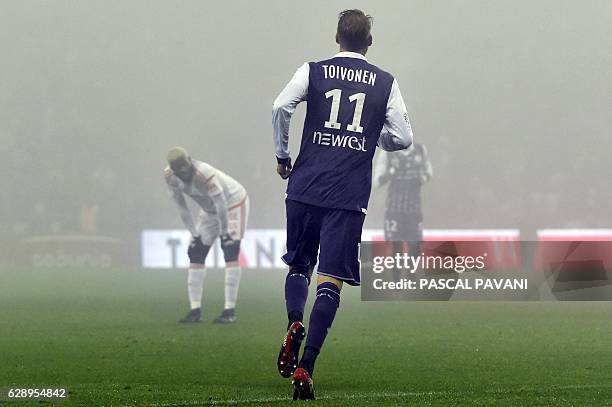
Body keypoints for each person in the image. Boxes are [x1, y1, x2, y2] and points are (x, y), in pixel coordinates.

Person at [271, 9, 413, 399]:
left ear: (337, 38)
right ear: (369, 42)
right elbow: (402, 138)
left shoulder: (313, 70)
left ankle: (294, 321)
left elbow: (280, 106)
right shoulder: (385, 82)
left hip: (305, 185)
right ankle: (307, 366)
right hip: (347, 195)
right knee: (330, 279)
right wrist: (372, 138)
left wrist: (283, 156)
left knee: (300, 264)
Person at [164, 147, 249, 324]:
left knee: (230, 250)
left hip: (233, 203)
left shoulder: (205, 174)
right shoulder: (170, 178)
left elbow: (221, 204)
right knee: (196, 252)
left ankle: (229, 310)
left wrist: (225, 233)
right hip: (209, 210)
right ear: (174, 170)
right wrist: (194, 234)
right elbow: (181, 207)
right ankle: (195, 310)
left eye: (186, 166)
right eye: (180, 169)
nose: (185, 172)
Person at [374, 143, 432, 257]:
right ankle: (397, 275)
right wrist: (391, 172)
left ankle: (410, 274)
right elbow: (377, 181)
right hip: (394, 209)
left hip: (414, 209)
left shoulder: (420, 150)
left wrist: (421, 179)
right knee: (396, 248)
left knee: (415, 246)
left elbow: (428, 172)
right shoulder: (387, 152)